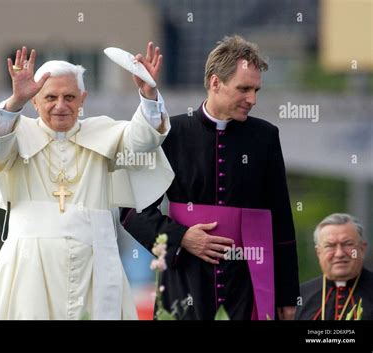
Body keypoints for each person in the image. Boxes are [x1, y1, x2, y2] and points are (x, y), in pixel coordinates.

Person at [0, 43, 174, 319]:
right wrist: (14, 102)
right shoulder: (15, 133)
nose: (60, 105)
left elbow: (144, 140)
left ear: (83, 99)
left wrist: (149, 94)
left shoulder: (105, 132)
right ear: (34, 100)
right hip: (30, 263)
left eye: (69, 97)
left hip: (95, 263)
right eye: (50, 97)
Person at [121, 35, 299, 320]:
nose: (252, 99)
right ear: (216, 82)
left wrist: (288, 294)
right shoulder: (172, 133)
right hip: (185, 275)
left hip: (247, 278)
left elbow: (281, 219)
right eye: (243, 89)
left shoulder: (265, 136)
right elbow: (132, 210)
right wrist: (182, 238)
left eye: (256, 90)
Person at [295, 213, 372, 320]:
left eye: (348, 244)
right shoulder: (300, 296)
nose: (339, 254)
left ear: (362, 249)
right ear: (318, 253)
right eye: (330, 246)